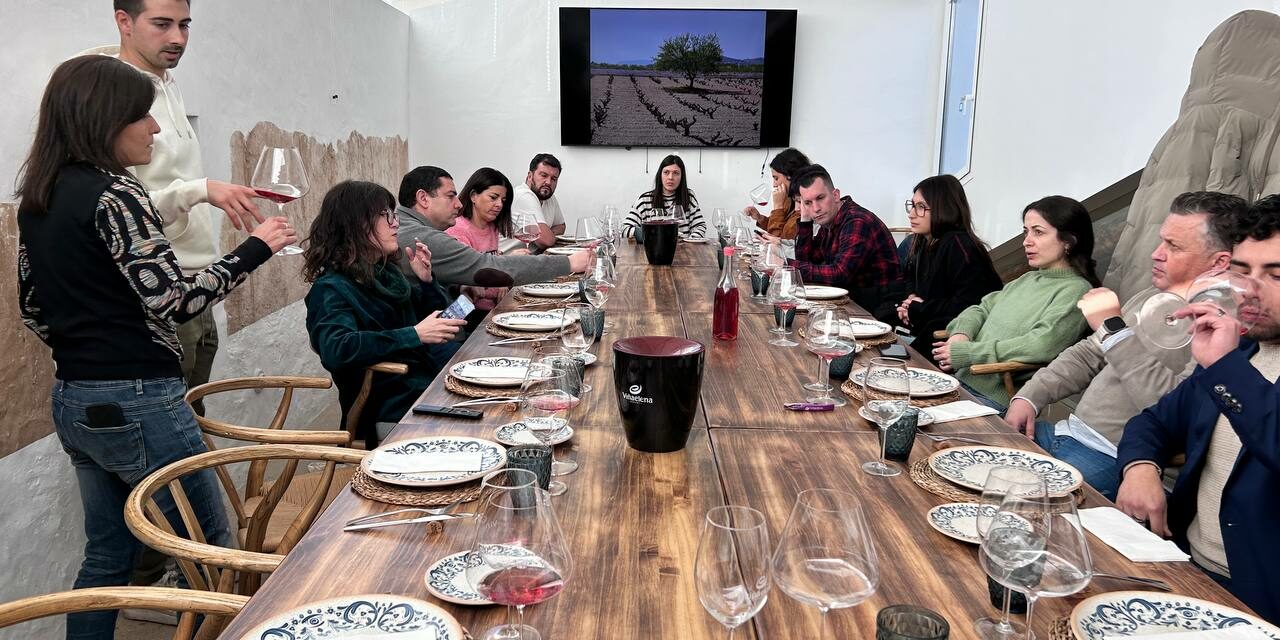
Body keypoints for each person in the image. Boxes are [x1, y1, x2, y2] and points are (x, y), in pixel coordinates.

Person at [15, 55, 294, 640]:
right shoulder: (118, 194)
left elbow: (34, 309)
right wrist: (257, 249)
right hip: (139, 399)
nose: (157, 128)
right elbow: (179, 301)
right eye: (143, 116)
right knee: (212, 551)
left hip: (74, 398)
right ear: (105, 119)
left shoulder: (38, 197)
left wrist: (92, 349)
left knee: (107, 558)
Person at [85, 0, 268, 417]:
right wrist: (198, 190)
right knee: (173, 437)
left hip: (197, 284)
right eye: (162, 24)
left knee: (191, 421)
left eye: (185, 25)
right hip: (158, 293)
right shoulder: (113, 93)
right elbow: (118, 210)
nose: (178, 38)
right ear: (123, 22)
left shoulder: (166, 82)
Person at [1004, 192, 1241, 499]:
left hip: (1110, 458)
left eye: (1173, 246)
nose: (1156, 254)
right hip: (1061, 433)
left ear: (1218, 262)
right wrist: (1029, 397)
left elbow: (1174, 410)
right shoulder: (1149, 297)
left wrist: (1115, 331)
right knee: (966, 446)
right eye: (1161, 241)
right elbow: (1089, 354)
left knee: (1004, 500)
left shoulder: (1221, 326)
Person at [1114, 196, 1280, 622]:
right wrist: (1140, 468)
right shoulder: (1240, 354)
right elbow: (1152, 422)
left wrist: (1222, 367)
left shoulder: (1228, 363)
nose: (1250, 289)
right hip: (1184, 567)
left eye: (1275, 275)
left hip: (1258, 599)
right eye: (1242, 271)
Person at [304, 181, 466, 448]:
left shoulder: (387, 274)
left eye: (394, 215)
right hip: (389, 405)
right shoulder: (332, 288)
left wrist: (427, 283)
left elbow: (448, 322)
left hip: (426, 385)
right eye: (386, 215)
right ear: (356, 223)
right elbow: (336, 348)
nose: (395, 224)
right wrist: (412, 335)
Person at [933, 195, 1099, 410]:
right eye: (1026, 232)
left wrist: (969, 353)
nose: (1026, 241)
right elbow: (980, 308)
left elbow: (1041, 345)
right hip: (959, 382)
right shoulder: (1027, 278)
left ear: (1069, 240)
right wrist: (960, 334)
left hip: (993, 398)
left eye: (1038, 232)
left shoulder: (1077, 290)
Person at [395, 166, 591, 289]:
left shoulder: (413, 230)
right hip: (440, 343)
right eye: (450, 196)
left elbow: (444, 299)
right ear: (423, 198)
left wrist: (464, 292)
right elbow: (484, 267)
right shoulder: (421, 237)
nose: (458, 204)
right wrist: (569, 263)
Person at [879, 175, 1001, 357]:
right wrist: (909, 301)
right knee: (882, 311)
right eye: (912, 205)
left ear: (943, 209)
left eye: (921, 207)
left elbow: (970, 306)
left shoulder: (959, 244)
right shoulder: (922, 241)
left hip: (957, 337)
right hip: (928, 320)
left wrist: (918, 308)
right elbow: (910, 279)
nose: (911, 213)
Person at [788, 164, 902, 312]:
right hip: (854, 302)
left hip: (878, 309)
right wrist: (805, 220)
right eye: (808, 203)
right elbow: (807, 261)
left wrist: (786, 265)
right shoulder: (830, 221)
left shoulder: (857, 221)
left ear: (835, 195)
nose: (816, 208)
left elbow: (840, 274)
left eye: (820, 198)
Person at [447, 168, 516, 311]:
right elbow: (473, 280)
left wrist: (502, 279)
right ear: (473, 196)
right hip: (468, 313)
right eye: (493, 197)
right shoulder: (458, 229)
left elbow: (492, 266)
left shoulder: (492, 227)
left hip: (494, 309)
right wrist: (503, 275)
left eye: (503, 200)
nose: (499, 205)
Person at [622, 154, 706, 240]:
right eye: (666, 172)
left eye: (676, 173)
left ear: (682, 177)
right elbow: (624, 229)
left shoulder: (689, 197)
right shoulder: (645, 200)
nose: (670, 177)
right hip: (654, 250)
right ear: (660, 175)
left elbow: (700, 226)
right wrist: (649, 234)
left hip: (684, 250)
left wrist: (689, 243)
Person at [742, 147, 810, 239]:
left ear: (791, 176)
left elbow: (777, 243)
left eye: (776, 178)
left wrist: (778, 207)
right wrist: (760, 218)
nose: (774, 184)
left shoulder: (806, 206)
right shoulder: (790, 199)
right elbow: (782, 228)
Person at [510, 153, 566, 250]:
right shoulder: (524, 195)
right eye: (544, 175)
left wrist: (549, 235)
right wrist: (548, 237)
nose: (548, 182)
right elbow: (546, 241)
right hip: (508, 260)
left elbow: (561, 226)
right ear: (530, 176)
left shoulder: (549, 197)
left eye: (553, 179)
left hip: (531, 257)